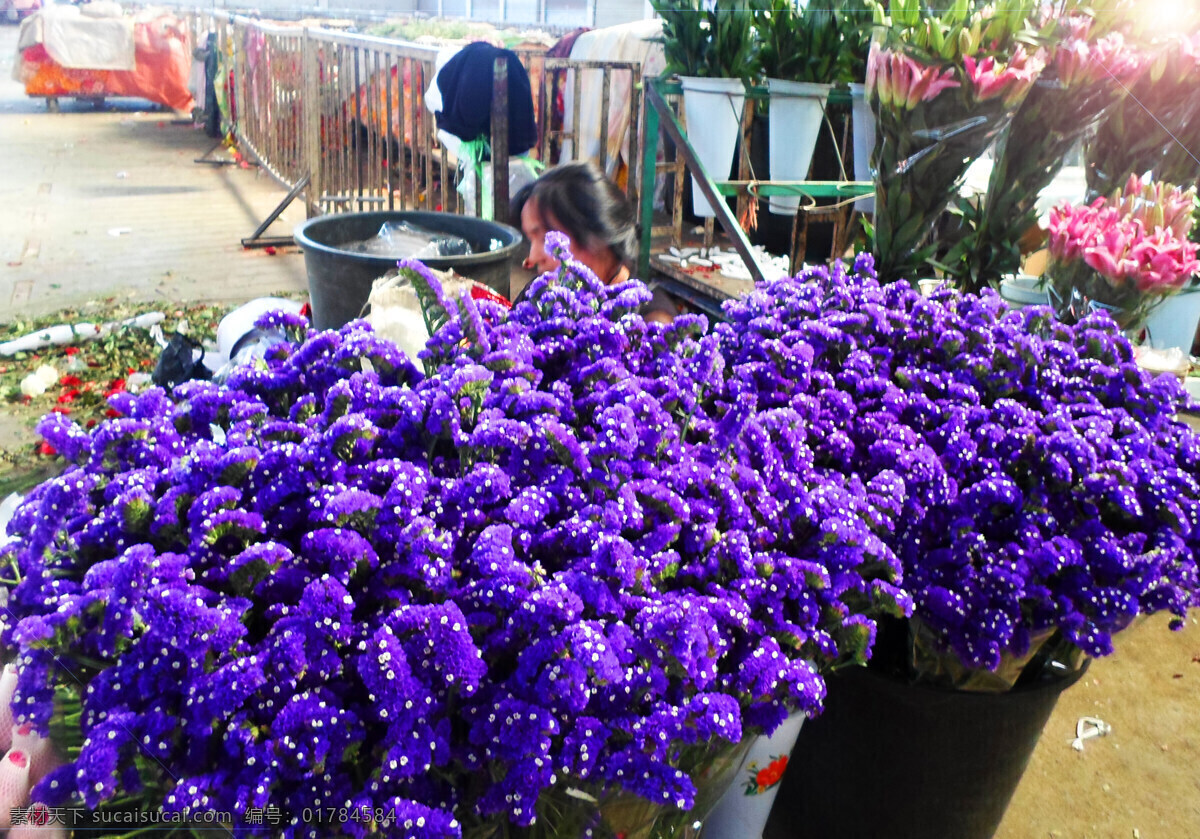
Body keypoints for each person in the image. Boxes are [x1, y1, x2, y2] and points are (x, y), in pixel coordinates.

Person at [512, 162, 678, 324]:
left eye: (546, 239)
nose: (533, 257)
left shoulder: (651, 324)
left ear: (597, 236)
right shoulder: (537, 293)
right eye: (531, 239)